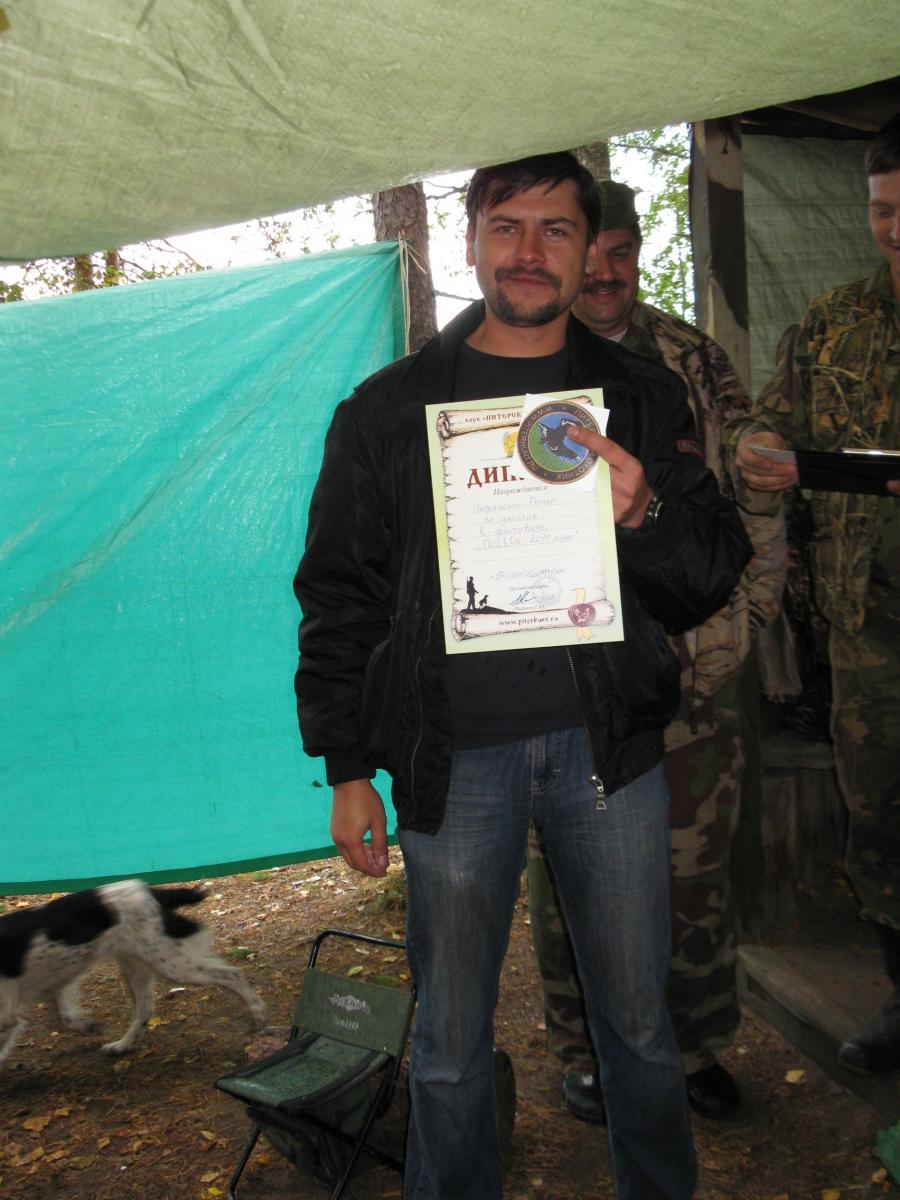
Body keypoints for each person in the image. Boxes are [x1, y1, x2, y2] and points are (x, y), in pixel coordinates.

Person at [294, 151, 752, 1200]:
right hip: (454, 765)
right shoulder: (386, 412)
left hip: (610, 756)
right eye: (507, 227)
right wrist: (348, 767)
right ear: (470, 243)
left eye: (556, 229)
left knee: (639, 1026)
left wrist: (645, 512)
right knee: (449, 1041)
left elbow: (709, 573)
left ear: (589, 250)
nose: (530, 251)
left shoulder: (641, 395)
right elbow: (339, 597)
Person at [525, 180, 787, 1124]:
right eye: (590, 251)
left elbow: (751, 471)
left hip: (688, 669)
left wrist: (746, 615)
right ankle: (586, 1049)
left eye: (622, 252)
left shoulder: (690, 357)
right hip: (570, 675)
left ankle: (696, 1046)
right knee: (568, 879)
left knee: (694, 874)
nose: (605, 272)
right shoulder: (521, 358)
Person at [728, 114, 900, 1076]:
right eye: (882, 210)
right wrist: (755, 446)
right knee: (878, 812)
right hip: (871, 625)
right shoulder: (837, 320)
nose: (896, 231)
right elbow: (767, 419)